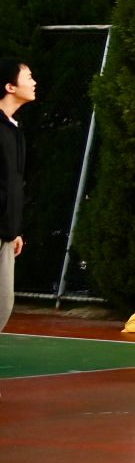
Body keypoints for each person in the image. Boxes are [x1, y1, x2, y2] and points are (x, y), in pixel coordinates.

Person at [0, 57, 32, 335]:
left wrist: (14, 229)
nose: (34, 82)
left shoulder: (14, 129)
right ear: (10, 87)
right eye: (28, 77)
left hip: (7, 235)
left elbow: (11, 184)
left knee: (4, 304)